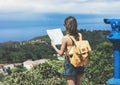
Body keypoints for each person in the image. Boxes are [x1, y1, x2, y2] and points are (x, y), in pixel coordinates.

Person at [51, 16, 84, 85]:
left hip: (70, 63)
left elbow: (60, 53)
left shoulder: (65, 38)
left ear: (67, 26)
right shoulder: (79, 35)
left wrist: (53, 46)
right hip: (80, 62)